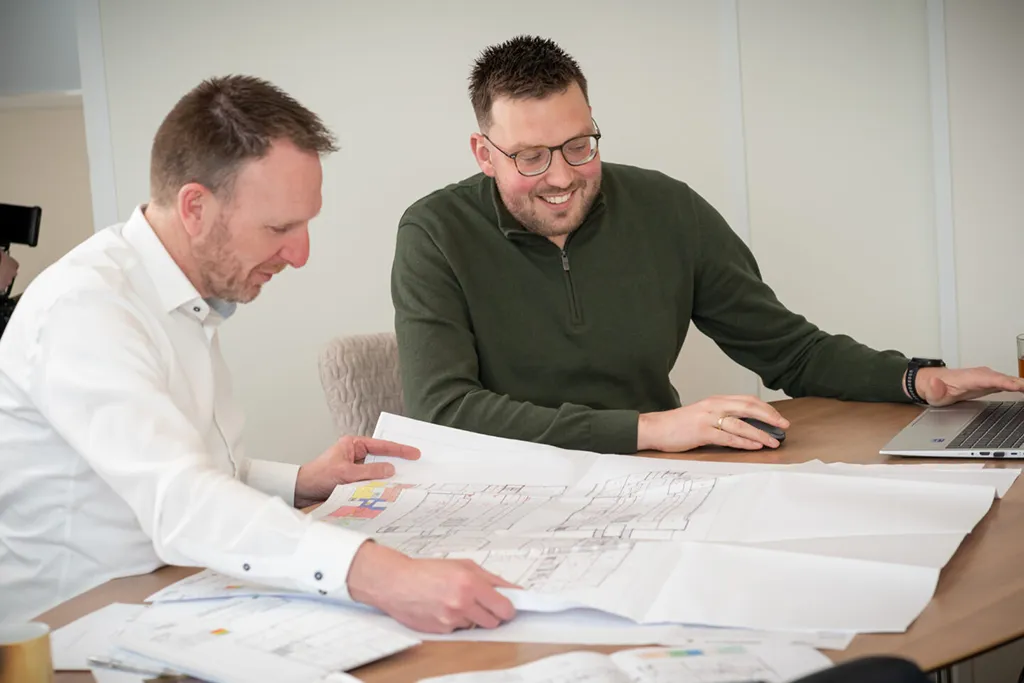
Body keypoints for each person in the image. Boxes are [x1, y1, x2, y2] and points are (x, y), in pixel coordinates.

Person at [0, 75, 516, 633]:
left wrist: (301, 481)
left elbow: (187, 465)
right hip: (72, 630)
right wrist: (383, 575)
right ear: (195, 207)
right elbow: (180, 499)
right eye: (279, 227)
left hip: (169, 593)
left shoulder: (183, 298)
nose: (300, 254)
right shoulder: (87, 308)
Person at [391, 35, 1024, 455]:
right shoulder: (434, 232)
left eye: (579, 146)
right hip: (507, 489)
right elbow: (443, 412)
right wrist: (649, 428)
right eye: (530, 157)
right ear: (484, 154)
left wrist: (913, 378)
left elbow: (789, 351)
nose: (561, 177)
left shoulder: (668, 208)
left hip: (661, 480)